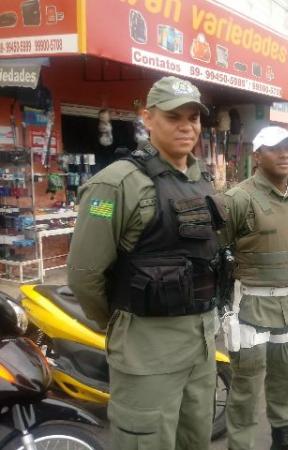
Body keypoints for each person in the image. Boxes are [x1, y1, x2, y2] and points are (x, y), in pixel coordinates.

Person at [67, 76, 222, 450]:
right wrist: (120, 323)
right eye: (173, 117)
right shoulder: (116, 184)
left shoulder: (201, 179)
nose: (187, 126)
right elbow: (84, 275)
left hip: (201, 346)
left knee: (194, 439)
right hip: (147, 352)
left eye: (194, 118)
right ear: (147, 119)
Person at [222, 126, 288, 450]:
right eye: (275, 148)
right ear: (257, 156)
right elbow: (217, 253)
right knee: (246, 386)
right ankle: (240, 445)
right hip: (252, 307)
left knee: (284, 375)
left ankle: (283, 434)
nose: (284, 154)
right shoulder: (238, 199)